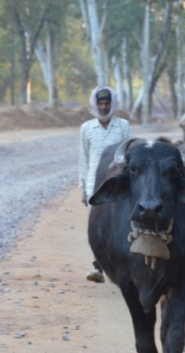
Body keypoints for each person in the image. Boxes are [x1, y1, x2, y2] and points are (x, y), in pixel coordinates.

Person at [79, 85, 132, 282]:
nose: (103, 107)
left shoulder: (123, 126)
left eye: (106, 103)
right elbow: (83, 159)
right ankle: (98, 267)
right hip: (95, 184)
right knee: (98, 226)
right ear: (95, 104)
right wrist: (84, 189)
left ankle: (122, 263)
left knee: (119, 222)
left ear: (112, 104)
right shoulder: (87, 128)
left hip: (117, 183)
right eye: (100, 103)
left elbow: (130, 153)